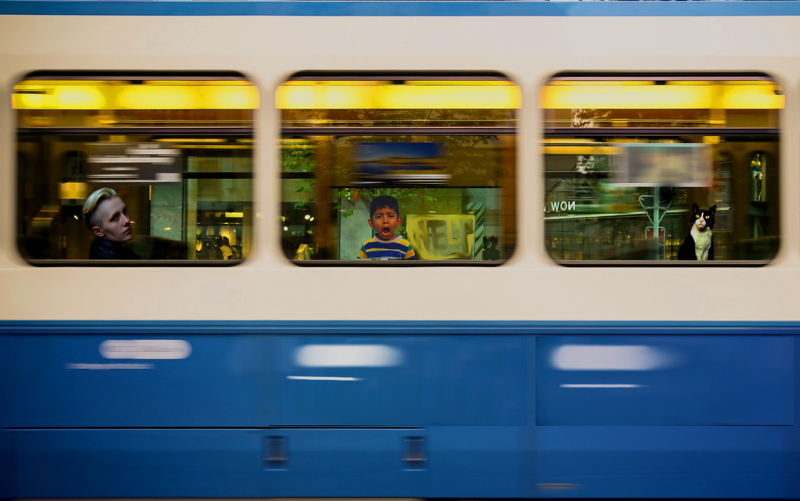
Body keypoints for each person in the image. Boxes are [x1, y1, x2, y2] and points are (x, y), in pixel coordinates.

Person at [81, 187, 140, 259]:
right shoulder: (110, 263)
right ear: (98, 231)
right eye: (114, 218)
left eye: (124, 211)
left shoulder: (116, 252)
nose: (126, 220)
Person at [357, 195, 416, 260]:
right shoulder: (367, 246)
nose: (385, 221)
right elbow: (360, 269)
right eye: (379, 217)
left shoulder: (406, 245)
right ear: (371, 223)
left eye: (390, 216)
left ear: (398, 221)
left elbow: (412, 269)